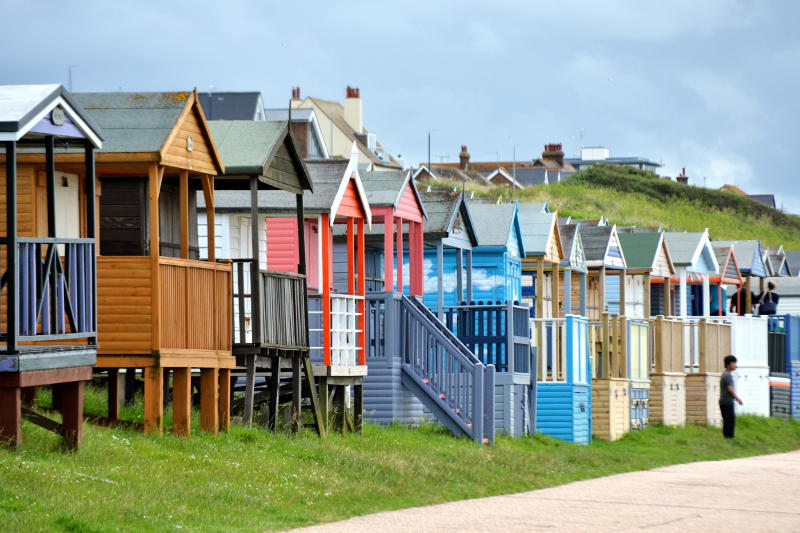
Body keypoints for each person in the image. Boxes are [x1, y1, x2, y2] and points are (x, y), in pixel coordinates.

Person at [720, 355, 743, 439]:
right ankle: (729, 437)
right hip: (727, 401)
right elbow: (730, 389)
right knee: (730, 420)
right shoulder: (727, 375)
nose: (736, 365)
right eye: (734, 363)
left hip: (723, 401)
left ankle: (726, 436)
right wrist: (737, 398)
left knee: (727, 420)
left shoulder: (724, 374)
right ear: (728, 364)